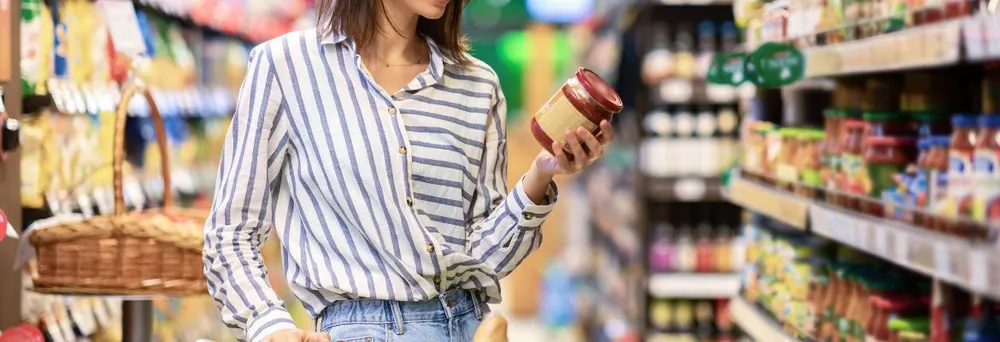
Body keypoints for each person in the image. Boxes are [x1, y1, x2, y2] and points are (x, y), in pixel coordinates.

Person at [202, 0, 613, 340]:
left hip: (469, 324)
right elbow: (229, 233)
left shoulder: (477, 85)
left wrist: (541, 176)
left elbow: (484, 257)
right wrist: (269, 326)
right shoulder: (286, 66)